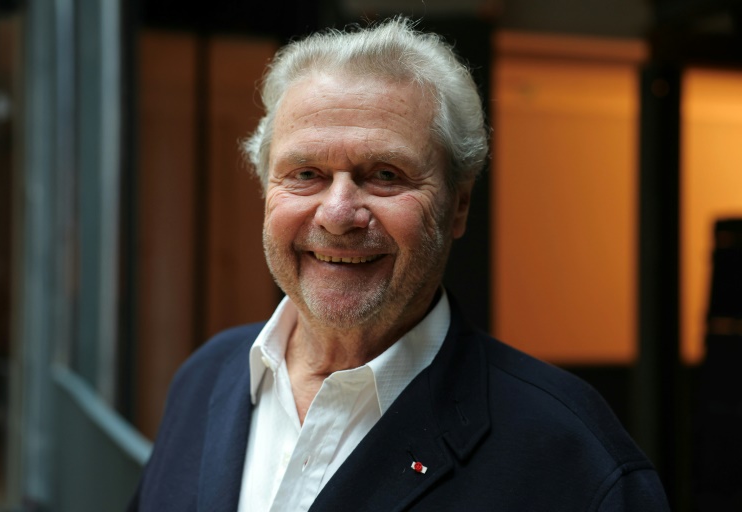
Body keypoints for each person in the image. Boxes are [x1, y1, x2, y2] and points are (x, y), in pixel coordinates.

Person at [128, 18, 670, 511]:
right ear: (266, 187)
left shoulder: (572, 459)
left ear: (458, 204)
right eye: (305, 174)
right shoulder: (207, 381)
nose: (338, 214)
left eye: (385, 175)